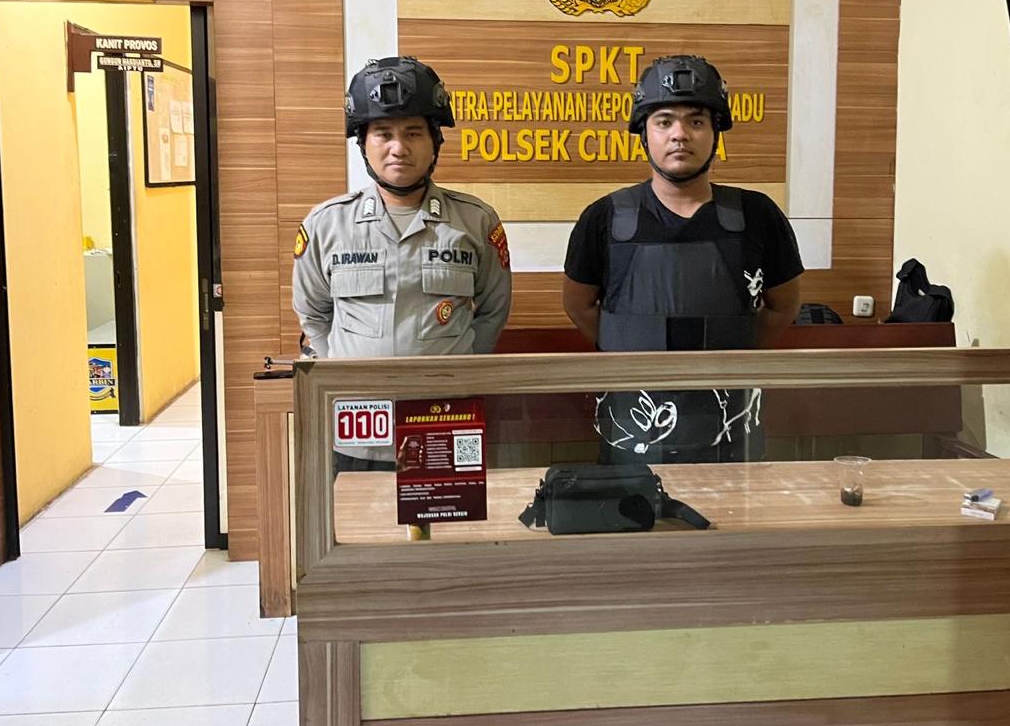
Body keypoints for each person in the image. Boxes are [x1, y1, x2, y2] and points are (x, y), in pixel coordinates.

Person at [562, 55, 803, 464]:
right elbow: (578, 305)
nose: (680, 134)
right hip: (631, 434)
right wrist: (628, 344)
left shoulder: (758, 215)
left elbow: (784, 306)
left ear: (715, 132)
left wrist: (731, 348)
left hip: (732, 434)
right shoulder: (603, 218)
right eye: (664, 121)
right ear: (644, 132)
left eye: (696, 121)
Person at [292, 57, 513, 471]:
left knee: (448, 513)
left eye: (413, 133)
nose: (398, 147)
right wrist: (345, 372)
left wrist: (459, 369)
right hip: (356, 427)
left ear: (434, 142)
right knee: (355, 514)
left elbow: (493, 311)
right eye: (383, 134)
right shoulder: (326, 225)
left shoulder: (475, 222)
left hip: (445, 418)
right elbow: (313, 313)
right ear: (363, 144)